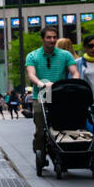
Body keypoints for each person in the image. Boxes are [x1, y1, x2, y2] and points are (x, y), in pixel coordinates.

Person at [26, 26, 79, 154]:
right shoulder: (33, 55)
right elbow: (31, 74)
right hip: (41, 93)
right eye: (49, 37)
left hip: (60, 93)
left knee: (63, 125)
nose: (52, 40)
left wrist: (73, 82)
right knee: (40, 128)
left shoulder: (65, 55)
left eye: (54, 37)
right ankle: (39, 151)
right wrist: (41, 83)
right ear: (42, 39)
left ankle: (63, 151)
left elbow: (75, 72)